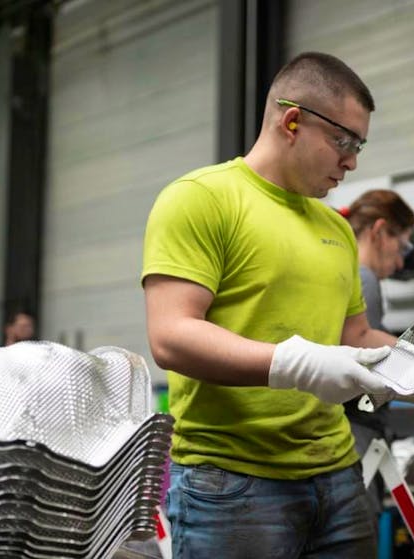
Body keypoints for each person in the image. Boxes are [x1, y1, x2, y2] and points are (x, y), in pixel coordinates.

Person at [142, 52, 398, 558]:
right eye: (344, 141)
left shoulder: (335, 229)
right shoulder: (202, 199)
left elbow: (355, 338)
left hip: (338, 476)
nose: (352, 162)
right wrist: (295, 364)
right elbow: (171, 335)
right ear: (293, 121)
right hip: (232, 484)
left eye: (359, 145)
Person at [341, 189, 414, 522]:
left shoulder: (343, 271)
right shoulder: (363, 278)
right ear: (380, 231)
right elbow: (362, 351)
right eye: (402, 247)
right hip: (354, 435)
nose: (400, 263)